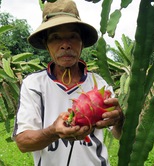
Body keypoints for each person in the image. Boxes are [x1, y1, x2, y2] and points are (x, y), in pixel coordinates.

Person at [12, 0, 124, 166]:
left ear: (82, 42)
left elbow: (117, 134)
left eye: (73, 36)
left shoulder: (100, 85)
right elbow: (23, 142)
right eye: (56, 38)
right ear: (46, 44)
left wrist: (119, 118)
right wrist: (53, 132)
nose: (65, 45)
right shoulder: (33, 84)